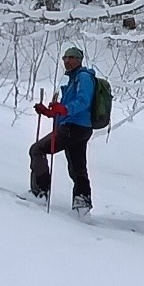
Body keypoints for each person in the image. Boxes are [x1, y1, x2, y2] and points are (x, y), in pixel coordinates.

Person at [31, 47, 95, 212]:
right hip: (79, 127)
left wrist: (64, 110)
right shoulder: (72, 79)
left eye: (71, 57)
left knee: (37, 150)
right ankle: (82, 203)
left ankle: (40, 193)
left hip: (73, 127)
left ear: (79, 60)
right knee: (77, 165)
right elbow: (64, 109)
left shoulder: (83, 77)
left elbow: (83, 102)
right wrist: (49, 112)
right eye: (65, 57)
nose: (67, 61)